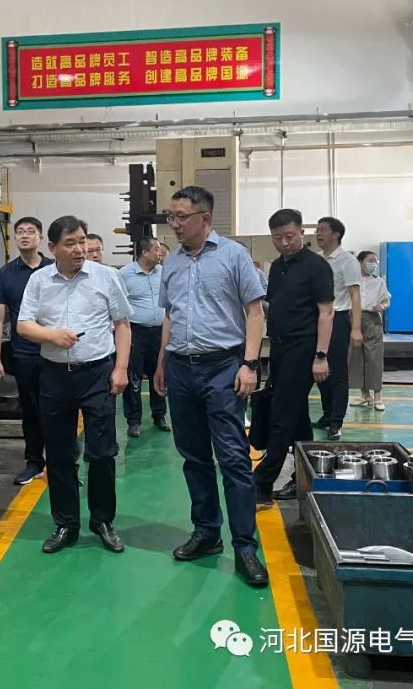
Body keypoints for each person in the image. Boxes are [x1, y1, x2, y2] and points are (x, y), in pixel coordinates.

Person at [152, 186, 268, 588]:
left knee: (233, 458)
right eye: (172, 216)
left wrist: (249, 364)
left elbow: (255, 312)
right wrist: (162, 361)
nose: (174, 224)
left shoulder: (234, 255)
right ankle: (206, 532)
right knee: (194, 456)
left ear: (205, 218)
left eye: (181, 217)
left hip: (223, 366)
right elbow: (170, 314)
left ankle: (245, 547)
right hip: (181, 368)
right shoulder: (171, 261)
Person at [17, 216, 132, 554]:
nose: (80, 249)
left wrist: (121, 368)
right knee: (59, 453)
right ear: (53, 248)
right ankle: (66, 523)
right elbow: (23, 324)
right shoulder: (39, 280)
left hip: (98, 373)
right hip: (54, 376)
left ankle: (102, 520)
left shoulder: (106, 276)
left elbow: (122, 324)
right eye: (70, 243)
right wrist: (52, 335)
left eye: (82, 241)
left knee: (102, 451)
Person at [252, 209, 334, 506]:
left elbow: (326, 312)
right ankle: (306, 478)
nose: (284, 243)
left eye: (289, 236)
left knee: (282, 414)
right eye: (277, 238)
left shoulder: (317, 266)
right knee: (297, 417)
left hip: (304, 348)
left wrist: (321, 356)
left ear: (302, 232)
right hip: (279, 348)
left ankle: (261, 483)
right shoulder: (277, 267)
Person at [0, 216, 54, 485]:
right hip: (25, 353)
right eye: (20, 232)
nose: (25, 235)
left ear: (41, 238)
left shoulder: (54, 269)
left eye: (31, 231)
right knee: (31, 410)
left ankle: (63, 462)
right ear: (15, 238)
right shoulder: (6, 274)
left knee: (59, 408)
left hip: (56, 352)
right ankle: (34, 462)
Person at [313, 217, 362, 441]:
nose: (318, 234)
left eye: (323, 230)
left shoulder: (348, 261)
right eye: (317, 230)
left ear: (336, 235)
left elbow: (355, 295)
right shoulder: (316, 259)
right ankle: (327, 413)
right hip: (317, 319)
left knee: (338, 373)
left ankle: (336, 421)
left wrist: (356, 329)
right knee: (319, 369)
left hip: (339, 319)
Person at [119, 236, 169, 436]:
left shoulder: (163, 273)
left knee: (160, 372)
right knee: (134, 377)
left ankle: (160, 415)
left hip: (160, 333)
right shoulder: (124, 275)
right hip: (135, 333)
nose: (160, 252)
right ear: (144, 253)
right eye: (156, 249)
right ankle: (133, 420)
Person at [349, 251, 391, 411]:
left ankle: (378, 395)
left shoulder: (379, 282)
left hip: (372, 319)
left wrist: (382, 306)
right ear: (360, 263)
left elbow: (386, 300)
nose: (373, 264)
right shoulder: (352, 281)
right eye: (370, 260)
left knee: (374, 357)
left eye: (375, 261)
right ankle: (364, 394)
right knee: (357, 357)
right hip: (354, 318)